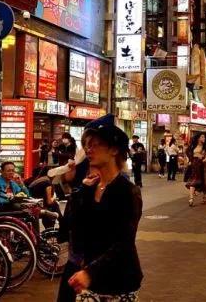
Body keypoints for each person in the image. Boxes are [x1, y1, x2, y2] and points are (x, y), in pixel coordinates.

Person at [59, 114, 143, 301]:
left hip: (116, 281)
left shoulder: (127, 191)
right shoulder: (89, 188)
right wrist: (79, 191)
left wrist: (90, 272)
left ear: (114, 149)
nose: (88, 150)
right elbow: (70, 227)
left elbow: (124, 242)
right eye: (86, 145)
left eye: (95, 145)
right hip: (84, 277)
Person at [185, 133, 206, 206]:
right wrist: (190, 160)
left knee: (203, 181)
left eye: (204, 137)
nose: (204, 138)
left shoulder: (205, 147)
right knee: (193, 181)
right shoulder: (193, 146)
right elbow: (187, 151)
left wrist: (203, 156)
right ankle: (191, 199)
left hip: (202, 165)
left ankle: (204, 197)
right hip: (194, 165)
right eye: (202, 137)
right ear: (198, 138)